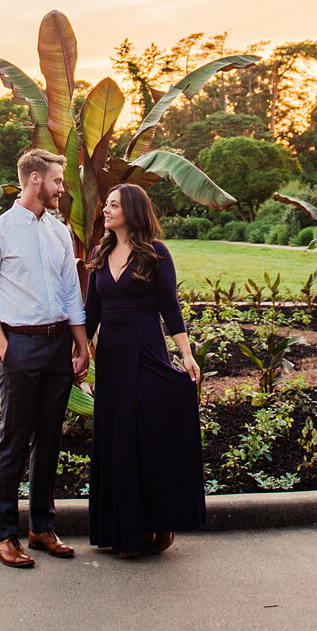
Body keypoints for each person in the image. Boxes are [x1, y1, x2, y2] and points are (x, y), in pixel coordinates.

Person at [0, 147, 91, 568]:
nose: (62, 188)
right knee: (14, 441)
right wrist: (8, 352)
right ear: (36, 179)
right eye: (58, 180)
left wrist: (82, 345)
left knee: (51, 439)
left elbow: (71, 294)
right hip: (18, 347)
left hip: (59, 345)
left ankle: (41, 527)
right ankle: (4, 535)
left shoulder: (59, 233)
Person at [84, 182, 206, 558]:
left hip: (148, 352)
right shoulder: (100, 253)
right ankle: (125, 531)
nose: (105, 210)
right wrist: (80, 353)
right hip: (112, 361)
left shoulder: (156, 253)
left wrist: (185, 355)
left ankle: (160, 522)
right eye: (106, 204)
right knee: (117, 440)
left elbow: (170, 307)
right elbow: (92, 313)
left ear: (132, 211)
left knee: (148, 438)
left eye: (114, 205)